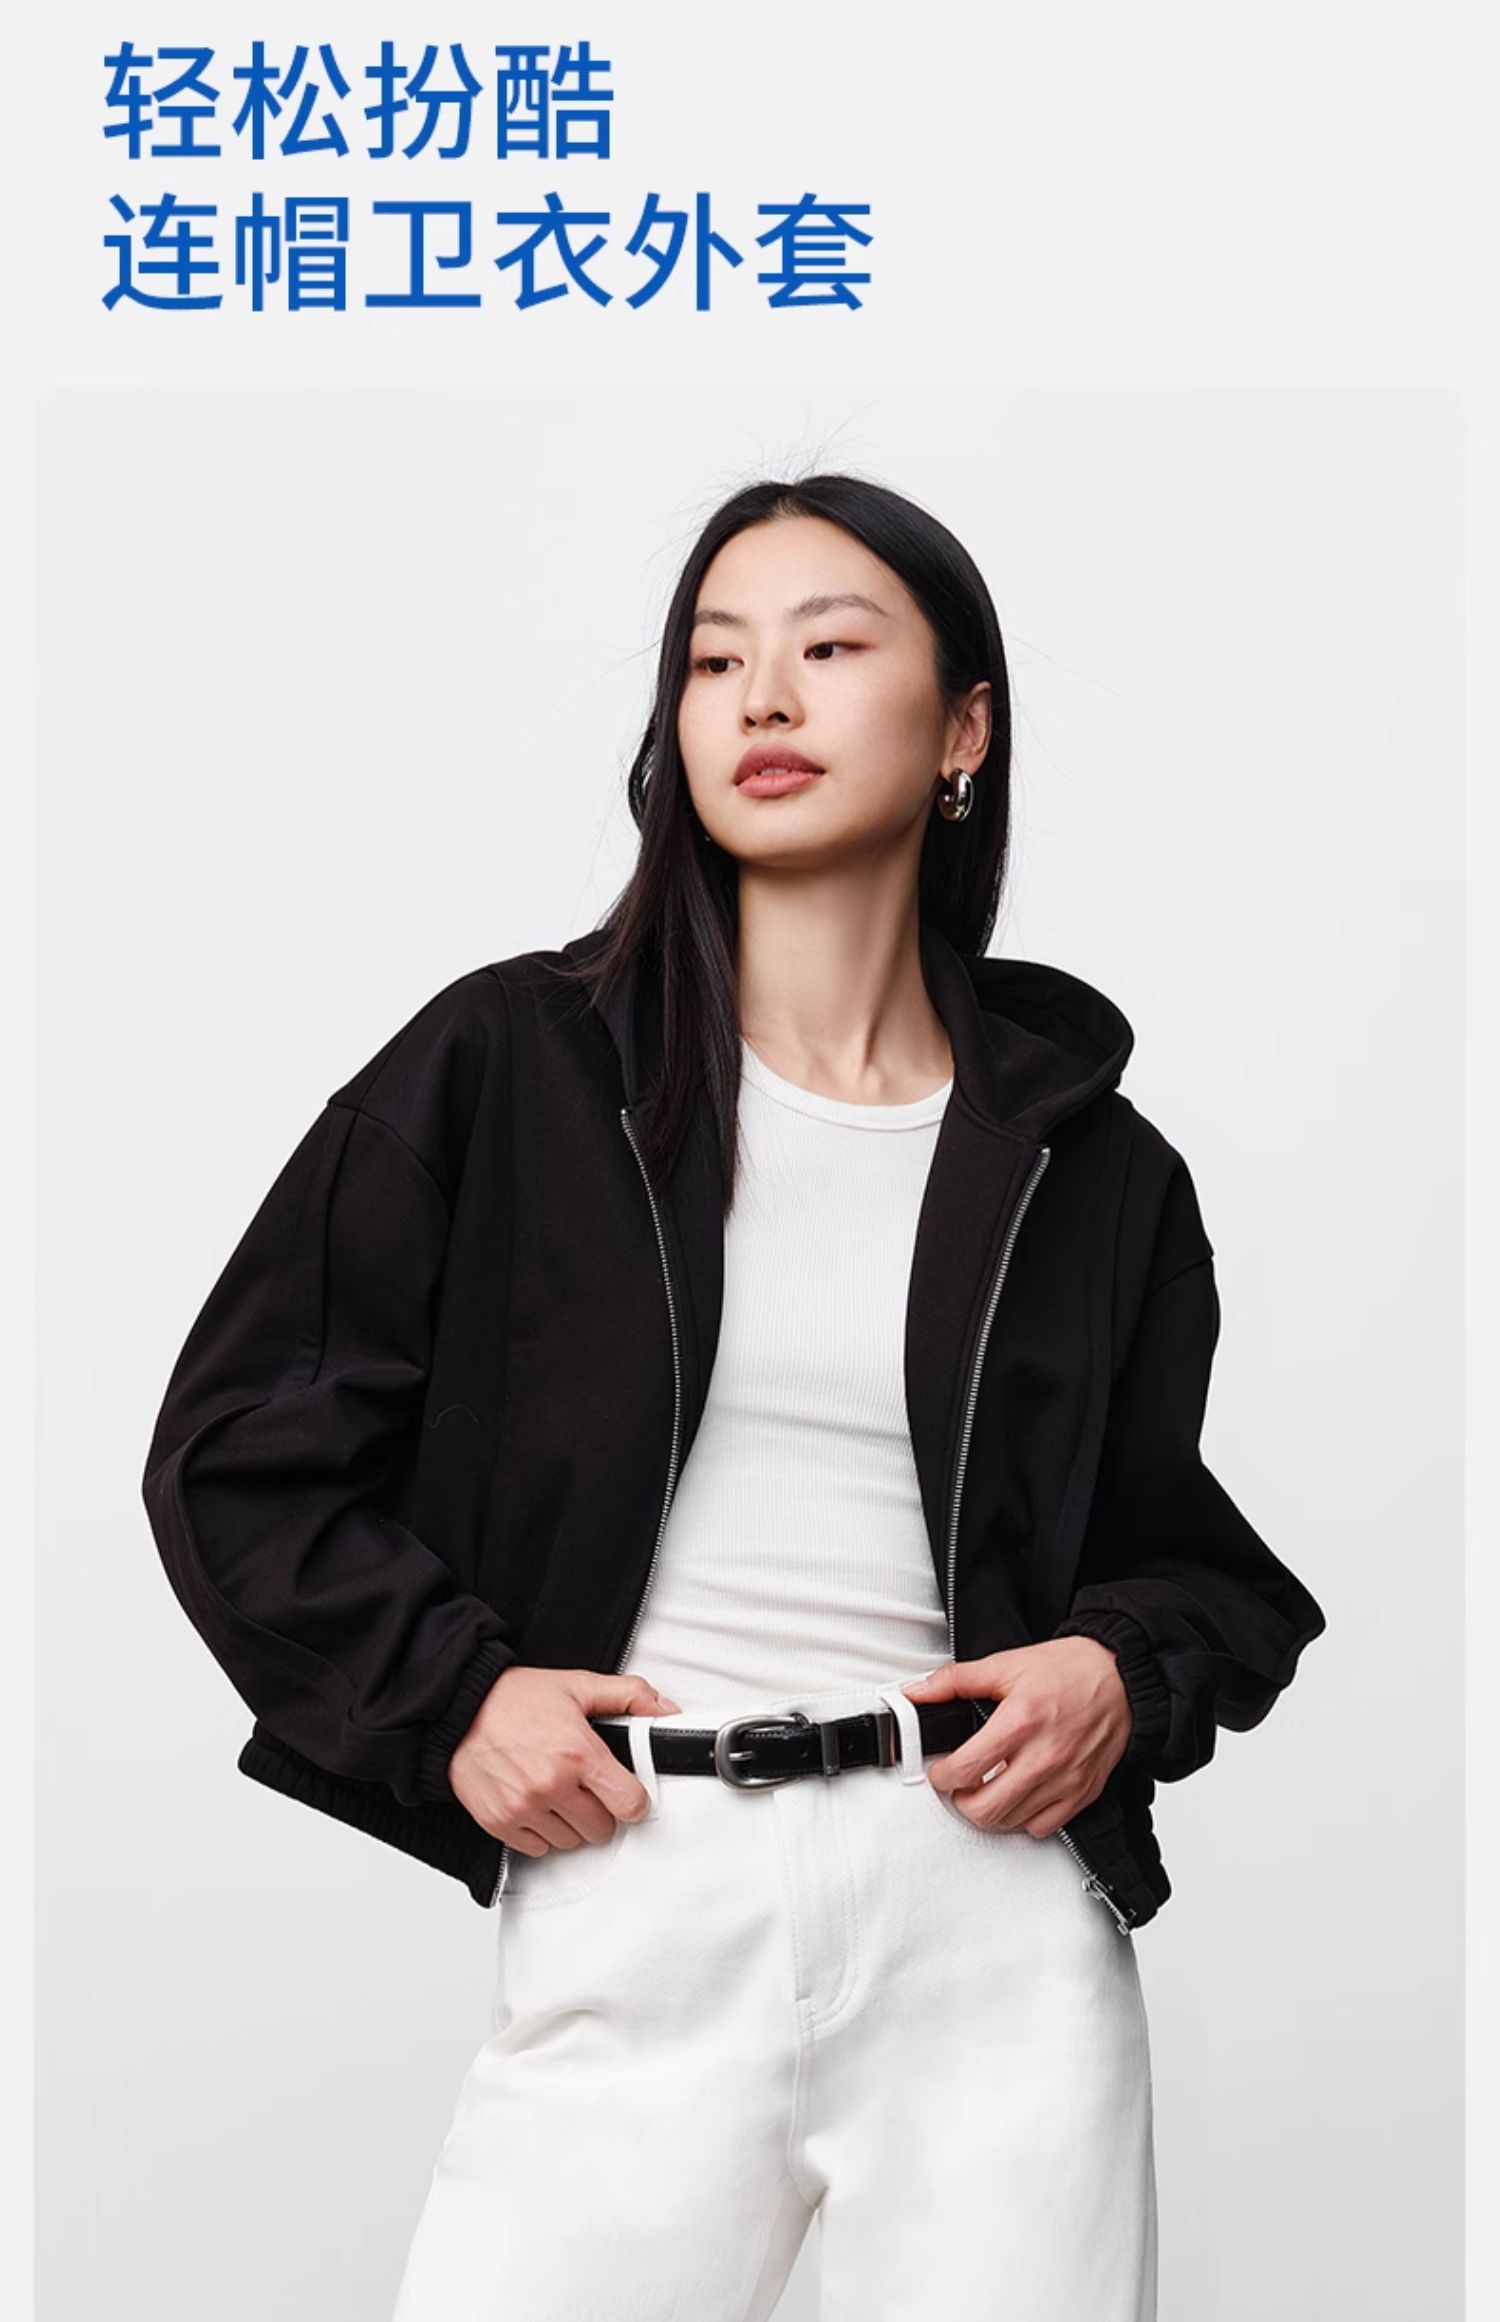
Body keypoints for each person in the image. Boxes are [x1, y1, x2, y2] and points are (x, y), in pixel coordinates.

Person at [141, 471, 1327, 2322]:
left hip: (995, 1924)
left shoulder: (1095, 1169)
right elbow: (236, 1447)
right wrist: (452, 1695)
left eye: (829, 648)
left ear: (963, 729)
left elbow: (1184, 1560)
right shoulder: (517, 1068)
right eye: (713, 660)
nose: (762, 695)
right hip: (645, 1879)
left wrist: (1120, 1670)